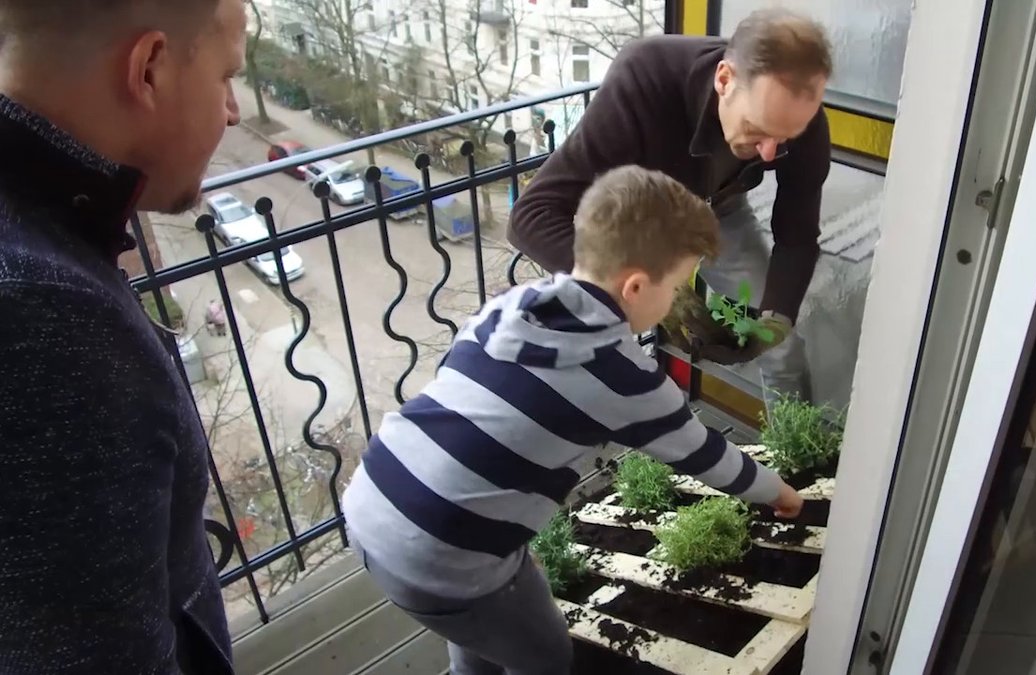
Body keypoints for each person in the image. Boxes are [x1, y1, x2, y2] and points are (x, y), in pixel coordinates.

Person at [345, 165, 806, 675]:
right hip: (442, 551)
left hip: (374, 494)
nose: (676, 300)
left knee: (477, 623)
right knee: (544, 656)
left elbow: (466, 399)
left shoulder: (514, 306)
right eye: (677, 287)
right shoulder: (624, 378)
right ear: (636, 287)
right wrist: (779, 493)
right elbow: (706, 456)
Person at [0, 1, 245, 673]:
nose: (233, 111)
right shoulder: (44, 315)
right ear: (149, 69)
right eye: (227, 76)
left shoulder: (41, 240)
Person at [509, 9, 833, 405]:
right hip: (644, 215)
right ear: (724, 80)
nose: (769, 153)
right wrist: (654, 295)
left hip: (721, 209)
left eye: (784, 138)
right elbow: (531, 216)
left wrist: (775, 323)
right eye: (757, 130)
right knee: (610, 343)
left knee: (782, 350)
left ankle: (791, 443)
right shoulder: (644, 77)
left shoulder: (801, 120)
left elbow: (797, 238)